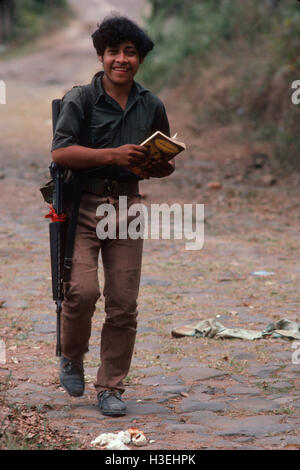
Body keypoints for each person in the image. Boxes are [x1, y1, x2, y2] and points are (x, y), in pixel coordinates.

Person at [51, 14, 175, 417]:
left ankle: (111, 387)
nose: (121, 59)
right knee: (81, 292)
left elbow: (165, 161)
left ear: (139, 59)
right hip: (83, 206)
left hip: (128, 207)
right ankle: (71, 356)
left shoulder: (151, 104)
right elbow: (61, 152)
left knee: (123, 303)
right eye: (113, 52)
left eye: (130, 53)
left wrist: (158, 164)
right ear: (101, 56)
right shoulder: (80, 99)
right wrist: (112, 155)